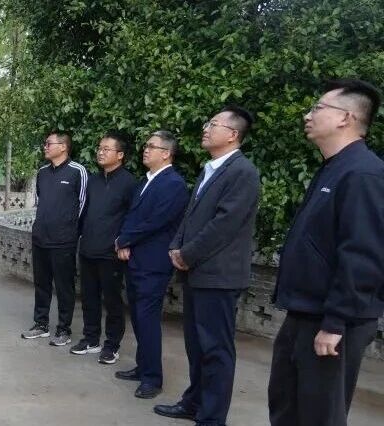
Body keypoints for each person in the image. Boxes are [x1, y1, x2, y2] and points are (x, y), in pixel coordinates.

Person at [269, 79, 384, 426]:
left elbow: (364, 255)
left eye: (317, 108)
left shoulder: (363, 173)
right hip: (304, 312)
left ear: (345, 118)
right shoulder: (334, 167)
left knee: (319, 415)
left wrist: (335, 322)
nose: (308, 115)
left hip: (332, 322)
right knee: (286, 406)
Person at [155, 106, 260, 425]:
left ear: (232, 134)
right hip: (197, 272)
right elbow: (192, 215)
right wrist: (176, 245)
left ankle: (212, 417)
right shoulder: (210, 169)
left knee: (216, 349)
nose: (205, 128)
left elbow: (224, 224)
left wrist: (188, 253)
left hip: (218, 275)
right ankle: (194, 402)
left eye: (213, 124)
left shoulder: (243, 172)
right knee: (196, 345)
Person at [113, 131, 189, 399]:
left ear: (166, 153)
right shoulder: (146, 181)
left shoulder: (173, 184)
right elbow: (132, 216)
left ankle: (152, 379)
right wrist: (124, 241)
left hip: (154, 263)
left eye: (152, 146)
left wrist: (124, 240)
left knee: (147, 319)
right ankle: (143, 366)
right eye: (146, 145)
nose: (146, 150)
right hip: (136, 258)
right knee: (138, 316)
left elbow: (155, 222)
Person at [72, 132, 137, 364]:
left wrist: (125, 242)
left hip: (111, 252)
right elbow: (84, 212)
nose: (101, 152)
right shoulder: (93, 180)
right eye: (99, 148)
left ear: (120, 155)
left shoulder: (129, 182)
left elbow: (133, 216)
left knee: (112, 301)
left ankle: (111, 345)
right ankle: (91, 339)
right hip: (88, 248)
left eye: (106, 149)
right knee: (88, 297)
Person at [20, 132, 88, 347]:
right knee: (41, 284)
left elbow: (83, 205)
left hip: (64, 241)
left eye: (49, 143)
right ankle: (41, 324)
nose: (45, 147)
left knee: (64, 286)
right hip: (40, 238)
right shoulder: (42, 172)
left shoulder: (78, 171)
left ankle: (64, 328)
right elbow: (40, 202)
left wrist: (71, 231)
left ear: (63, 147)